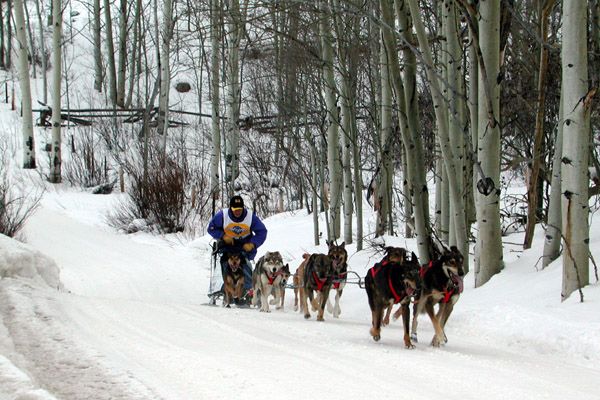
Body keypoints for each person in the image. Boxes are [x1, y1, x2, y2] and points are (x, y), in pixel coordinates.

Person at [208, 195, 267, 302]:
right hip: (227, 247)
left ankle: (248, 293)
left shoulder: (250, 217)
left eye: (239, 209)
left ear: (243, 207)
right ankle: (226, 290)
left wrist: (253, 244)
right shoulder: (223, 215)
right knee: (226, 264)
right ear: (231, 208)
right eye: (235, 210)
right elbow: (211, 228)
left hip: (243, 248)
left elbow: (262, 232)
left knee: (245, 266)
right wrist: (223, 236)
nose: (237, 212)